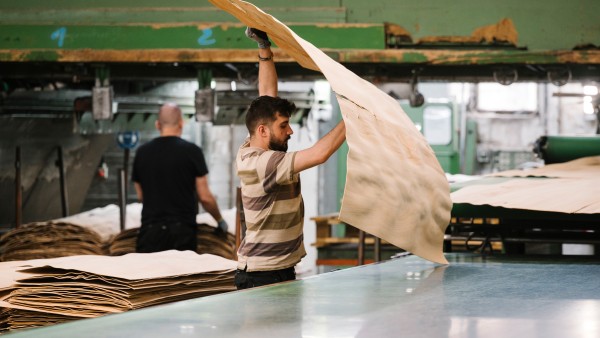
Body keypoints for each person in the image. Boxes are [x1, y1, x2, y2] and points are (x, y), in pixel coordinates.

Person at [234, 28, 346, 289]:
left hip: (277, 269)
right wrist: (353, 116)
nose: (290, 131)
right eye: (284, 126)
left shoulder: (256, 145)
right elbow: (320, 154)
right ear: (263, 131)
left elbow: (267, 95)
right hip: (262, 276)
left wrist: (264, 50)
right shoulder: (264, 164)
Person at [132, 102, 228, 253]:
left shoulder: (142, 153)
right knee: (180, 276)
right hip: (182, 233)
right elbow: (205, 197)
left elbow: (141, 195)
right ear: (181, 123)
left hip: (151, 233)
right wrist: (219, 220)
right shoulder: (192, 152)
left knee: (150, 275)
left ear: (158, 125)